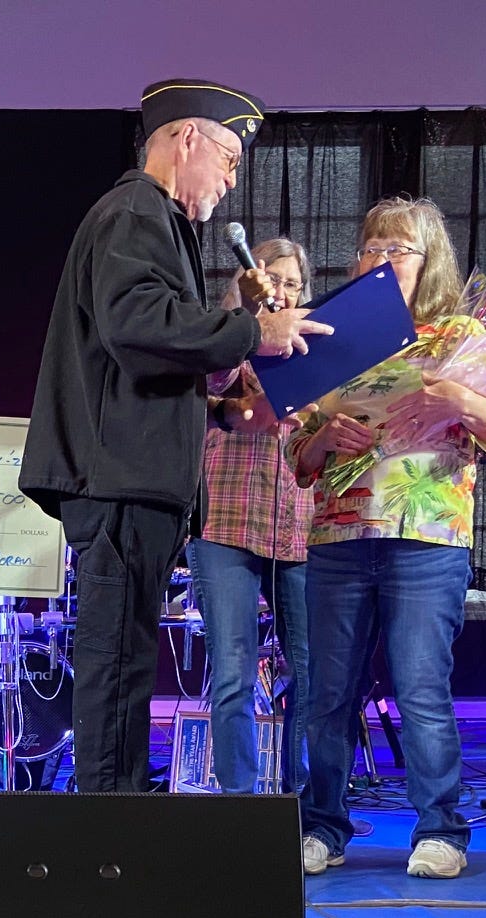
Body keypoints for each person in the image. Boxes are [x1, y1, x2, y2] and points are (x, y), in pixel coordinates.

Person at [19, 79, 329, 793]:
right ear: (187, 138)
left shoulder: (153, 219)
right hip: (119, 480)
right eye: (229, 159)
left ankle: (121, 814)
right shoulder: (136, 211)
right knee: (113, 666)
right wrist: (253, 331)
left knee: (127, 665)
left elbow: (148, 360)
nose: (230, 180)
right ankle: (106, 824)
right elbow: (136, 325)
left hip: (136, 479)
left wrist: (220, 408)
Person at [290, 198, 486, 880]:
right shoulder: (330, 339)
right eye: (372, 248)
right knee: (327, 694)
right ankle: (322, 826)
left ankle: (440, 831)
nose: (382, 260)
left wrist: (462, 401)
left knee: (422, 689)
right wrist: (324, 438)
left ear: (430, 262)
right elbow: (298, 458)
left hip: (428, 536)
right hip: (339, 534)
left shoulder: (462, 334)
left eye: (398, 249)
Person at [190, 236, 318, 795]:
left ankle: (302, 804)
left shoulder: (316, 347)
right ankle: (239, 805)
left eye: (293, 284)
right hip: (227, 517)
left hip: (299, 522)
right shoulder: (231, 333)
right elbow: (208, 383)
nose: (282, 291)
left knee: (311, 673)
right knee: (233, 672)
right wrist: (240, 313)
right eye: (275, 280)